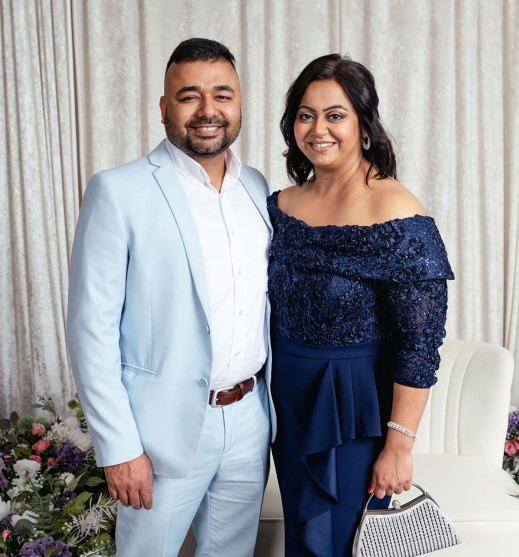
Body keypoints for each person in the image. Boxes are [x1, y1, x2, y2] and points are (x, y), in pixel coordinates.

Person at [67, 38, 275, 557]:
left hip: (249, 417)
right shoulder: (118, 191)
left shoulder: (256, 187)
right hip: (158, 430)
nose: (208, 110)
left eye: (222, 94)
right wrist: (119, 446)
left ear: (239, 104)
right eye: (189, 96)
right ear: (164, 107)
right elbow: (91, 331)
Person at [267, 54, 454, 557]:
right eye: (306, 115)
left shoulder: (398, 212)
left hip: (354, 407)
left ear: (364, 127)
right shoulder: (280, 205)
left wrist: (399, 446)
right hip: (287, 400)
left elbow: (420, 347)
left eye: (335, 115)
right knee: (304, 537)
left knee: (346, 540)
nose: (318, 129)